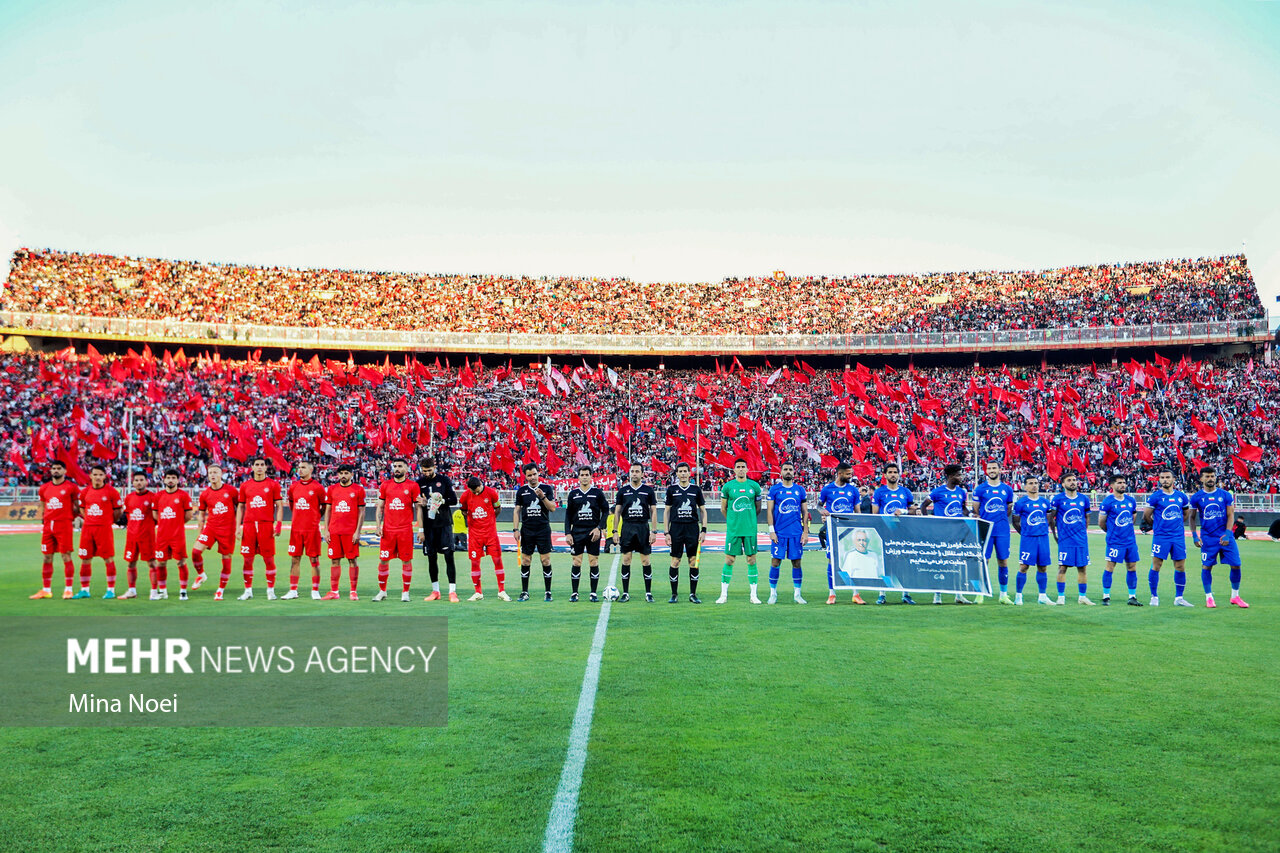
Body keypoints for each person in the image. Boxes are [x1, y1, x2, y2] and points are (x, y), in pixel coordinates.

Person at [1189, 466, 1249, 608]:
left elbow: (1230, 515)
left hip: (1225, 536)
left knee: (1236, 564)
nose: (1211, 479)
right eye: (1207, 476)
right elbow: (1191, 518)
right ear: (1202, 479)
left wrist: (1228, 534)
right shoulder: (1196, 497)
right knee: (1207, 566)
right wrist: (1194, 536)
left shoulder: (1225, 495)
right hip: (1207, 538)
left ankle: (1235, 596)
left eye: (1213, 476)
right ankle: (1209, 597)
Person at [921, 463, 974, 604]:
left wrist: (971, 516)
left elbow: (962, 509)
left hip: (957, 534)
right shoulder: (938, 492)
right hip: (941, 534)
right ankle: (937, 595)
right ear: (951, 476)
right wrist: (928, 522)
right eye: (958, 474)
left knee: (958, 564)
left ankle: (959, 595)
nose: (961, 477)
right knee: (941, 564)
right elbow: (923, 506)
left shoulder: (961, 492)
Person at [235, 457, 284, 601]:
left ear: (266, 467)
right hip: (249, 526)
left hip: (266, 525)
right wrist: (238, 526)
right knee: (247, 560)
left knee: (268, 560)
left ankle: (270, 591)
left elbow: (279, 506)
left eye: (262, 465)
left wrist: (279, 524)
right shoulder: (245, 486)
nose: (260, 467)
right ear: (252, 467)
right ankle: (248, 591)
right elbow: (241, 507)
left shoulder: (273, 485)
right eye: (257, 465)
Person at [1142, 467, 1192, 607]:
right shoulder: (1156, 496)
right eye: (1162, 478)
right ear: (1159, 480)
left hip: (1178, 537)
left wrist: (1177, 523)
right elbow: (1146, 515)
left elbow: (1186, 513)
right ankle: (1154, 596)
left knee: (1180, 566)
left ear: (1173, 479)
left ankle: (1179, 598)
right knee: (1156, 565)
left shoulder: (1181, 496)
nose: (1165, 480)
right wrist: (1156, 526)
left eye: (1167, 477)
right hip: (1161, 537)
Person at [374, 457, 421, 602]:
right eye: (395, 466)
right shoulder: (385, 485)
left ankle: (405, 592)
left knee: (406, 561)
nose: (396, 469)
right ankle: (382, 591)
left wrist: (421, 528)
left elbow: (418, 508)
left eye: (400, 466)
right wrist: (378, 526)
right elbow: (380, 507)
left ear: (407, 469)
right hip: (388, 530)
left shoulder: (413, 486)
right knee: (383, 560)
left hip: (405, 530)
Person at [30, 460, 79, 600]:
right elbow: (43, 506)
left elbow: (76, 507)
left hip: (63, 525)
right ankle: (46, 590)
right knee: (46, 557)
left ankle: (68, 589)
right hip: (48, 526)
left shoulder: (71, 487)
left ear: (64, 471)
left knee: (66, 556)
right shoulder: (44, 488)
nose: (56, 471)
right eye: (53, 468)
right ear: (51, 471)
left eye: (59, 468)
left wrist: (69, 518)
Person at [72, 465, 122, 599]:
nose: (98, 477)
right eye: (95, 474)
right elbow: (82, 509)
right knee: (85, 558)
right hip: (88, 528)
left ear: (105, 476)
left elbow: (117, 511)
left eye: (100, 475)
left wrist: (107, 521)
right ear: (91, 476)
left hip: (104, 528)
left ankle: (111, 590)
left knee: (108, 558)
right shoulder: (85, 492)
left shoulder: (111, 492)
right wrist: (90, 519)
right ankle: (84, 590)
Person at [718, 459, 763, 604]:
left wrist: (748, 519)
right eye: (738, 467)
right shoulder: (728, 487)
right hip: (734, 530)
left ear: (748, 469)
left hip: (750, 529)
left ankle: (754, 595)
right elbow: (723, 509)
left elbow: (758, 508)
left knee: (751, 559)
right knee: (729, 560)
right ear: (734, 470)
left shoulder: (754, 486)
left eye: (743, 467)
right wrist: (733, 521)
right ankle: (723, 595)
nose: (741, 469)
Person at [871, 462, 917, 605]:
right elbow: (874, 513)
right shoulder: (879, 492)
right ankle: (882, 593)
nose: (893, 474)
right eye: (890, 472)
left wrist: (902, 511)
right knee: (884, 563)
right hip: (885, 532)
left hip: (903, 532)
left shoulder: (905, 492)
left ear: (899, 474)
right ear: (885, 475)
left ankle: (906, 593)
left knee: (905, 563)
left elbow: (913, 510)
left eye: (895, 472)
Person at [818, 461, 863, 605]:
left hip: (850, 530)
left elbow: (858, 512)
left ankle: (856, 594)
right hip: (833, 530)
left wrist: (860, 526)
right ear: (840, 473)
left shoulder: (853, 491)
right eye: (848, 473)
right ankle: (832, 594)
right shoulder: (827, 489)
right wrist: (822, 511)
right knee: (832, 560)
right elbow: (818, 505)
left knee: (854, 559)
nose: (851, 476)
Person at [613, 462, 658, 602]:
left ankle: (648, 593)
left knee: (645, 560)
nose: (634, 473)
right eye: (632, 471)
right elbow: (617, 512)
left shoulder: (648, 491)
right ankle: (625, 592)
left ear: (642, 474)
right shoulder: (623, 491)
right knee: (626, 559)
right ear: (629, 473)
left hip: (643, 527)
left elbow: (654, 511)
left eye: (637, 471)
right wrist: (615, 531)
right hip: (627, 527)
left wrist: (654, 531)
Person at [972, 460, 1015, 604]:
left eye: (994, 468)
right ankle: (980, 593)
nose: (991, 470)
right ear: (986, 470)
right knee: (984, 561)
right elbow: (976, 509)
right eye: (989, 468)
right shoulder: (980, 489)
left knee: (1003, 561)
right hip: (986, 530)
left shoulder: (1007, 489)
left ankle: (1003, 595)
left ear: (999, 469)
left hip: (1002, 530)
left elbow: (1008, 508)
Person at [416, 456, 459, 602]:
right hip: (429, 527)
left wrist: (441, 501)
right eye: (424, 471)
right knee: (431, 559)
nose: (427, 473)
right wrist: (420, 529)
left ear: (434, 468)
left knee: (448, 557)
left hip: (444, 525)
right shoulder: (419, 483)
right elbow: (418, 507)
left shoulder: (444, 480)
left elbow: (454, 499)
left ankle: (452, 591)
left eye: (429, 470)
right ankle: (435, 591)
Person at [564, 465, 609, 602]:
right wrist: (567, 533)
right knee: (576, 561)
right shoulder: (573, 494)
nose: (584, 477)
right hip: (577, 532)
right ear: (578, 477)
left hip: (593, 532)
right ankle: (574, 593)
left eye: (586, 475)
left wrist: (599, 528)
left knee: (593, 561)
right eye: (582, 475)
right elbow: (568, 515)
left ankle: (593, 593)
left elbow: (606, 511)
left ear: (591, 476)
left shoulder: (597, 493)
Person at [765, 462, 808, 604]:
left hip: (796, 532)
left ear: (794, 472)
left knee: (797, 563)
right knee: (775, 562)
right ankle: (773, 593)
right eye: (785, 469)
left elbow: (805, 512)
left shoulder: (800, 490)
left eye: (790, 469)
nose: (788, 471)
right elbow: (769, 511)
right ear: (781, 472)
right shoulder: (774, 490)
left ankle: (797, 594)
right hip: (779, 533)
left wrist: (805, 532)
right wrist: (772, 531)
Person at [460, 475, 508, 601]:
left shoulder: (491, 493)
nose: (475, 492)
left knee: (497, 560)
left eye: (476, 490)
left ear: (481, 484)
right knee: (475, 562)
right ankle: (478, 592)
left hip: (490, 533)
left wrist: (490, 520)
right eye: (473, 491)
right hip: (475, 535)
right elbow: (463, 511)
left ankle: (501, 591)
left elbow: (498, 508)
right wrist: (472, 520)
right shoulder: (465, 496)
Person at [284, 460, 327, 600]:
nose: (300, 470)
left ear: (310, 470)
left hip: (312, 529)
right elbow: (291, 504)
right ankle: (293, 590)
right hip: (296, 529)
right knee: (295, 559)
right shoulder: (293, 487)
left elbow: (324, 507)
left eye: (303, 467)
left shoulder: (318, 487)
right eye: (299, 467)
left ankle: (315, 590)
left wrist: (314, 517)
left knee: (314, 559)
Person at [664, 461, 706, 603]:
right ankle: (674, 594)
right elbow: (667, 511)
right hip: (676, 528)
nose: (682, 474)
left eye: (685, 471)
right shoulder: (671, 490)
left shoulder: (695, 490)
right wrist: (666, 532)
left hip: (692, 528)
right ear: (677, 474)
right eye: (680, 471)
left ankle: (693, 594)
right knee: (675, 561)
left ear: (689, 473)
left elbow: (703, 511)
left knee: (693, 561)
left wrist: (704, 530)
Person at [1049, 472, 1094, 605]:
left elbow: (1087, 517)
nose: (1073, 482)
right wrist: (1055, 534)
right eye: (1069, 480)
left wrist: (1084, 532)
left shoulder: (1084, 499)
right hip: (1065, 540)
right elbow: (1051, 518)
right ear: (1063, 484)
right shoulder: (1058, 499)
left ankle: (1082, 597)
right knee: (1062, 567)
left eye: (1074, 480)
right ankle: (1061, 597)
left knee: (1082, 568)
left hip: (1080, 540)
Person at [321, 463, 365, 600]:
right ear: (338, 475)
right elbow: (328, 510)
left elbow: (362, 512)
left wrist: (357, 531)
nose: (343, 476)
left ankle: (353, 591)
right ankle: (334, 591)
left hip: (350, 531)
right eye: (341, 473)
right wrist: (326, 530)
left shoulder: (358, 490)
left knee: (352, 560)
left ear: (351, 474)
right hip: (334, 531)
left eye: (346, 473)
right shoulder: (332, 489)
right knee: (334, 560)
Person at [513, 463, 556, 602]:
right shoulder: (522, 491)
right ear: (525, 476)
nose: (532, 477)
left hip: (543, 529)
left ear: (538, 473)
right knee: (525, 560)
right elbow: (517, 510)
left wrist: (543, 497)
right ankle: (524, 592)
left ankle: (548, 592)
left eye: (534, 474)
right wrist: (515, 529)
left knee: (545, 560)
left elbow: (553, 508)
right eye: (529, 475)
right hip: (527, 530)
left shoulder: (546, 488)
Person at [1098, 474, 1143, 605]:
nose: (1122, 485)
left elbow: (1133, 517)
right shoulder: (1108, 502)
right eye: (1119, 483)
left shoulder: (1130, 500)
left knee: (1132, 567)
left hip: (1130, 541)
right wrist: (1112, 532)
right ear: (1112, 485)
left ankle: (1132, 596)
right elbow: (1101, 522)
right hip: (1115, 541)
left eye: (1124, 482)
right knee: (1110, 567)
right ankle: (1106, 596)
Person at [198, 465, 239, 601]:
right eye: (210, 473)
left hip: (227, 529)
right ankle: (201, 574)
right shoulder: (205, 494)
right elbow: (201, 513)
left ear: (221, 474)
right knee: (195, 552)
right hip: (211, 527)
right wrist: (200, 530)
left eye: (215, 472)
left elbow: (240, 507)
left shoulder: (231, 491)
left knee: (226, 559)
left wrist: (238, 526)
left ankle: (220, 590)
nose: (212, 475)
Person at [1011, 475, 1055, 606]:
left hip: (1043, 538)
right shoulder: (1021, 503)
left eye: (1036, 483)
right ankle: (1018, 596)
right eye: (1030, 483)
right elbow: (1015, 522)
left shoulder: (1045, 502)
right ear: (1025, 486)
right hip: (1028, 539)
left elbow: (1048, 519)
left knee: (1043, 567)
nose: (1034, 485)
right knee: (1024, 567)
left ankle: (1042, 596)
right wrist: (1025, 533)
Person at [152, 469, 193, 600]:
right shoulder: (158, 496)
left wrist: (176, 523)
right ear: (164, 479)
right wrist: (165, 523)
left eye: (173, 478)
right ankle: (163, 591)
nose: (170, 480)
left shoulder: (183, 496)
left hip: (178, 536)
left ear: (177, 480)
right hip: (162, 536)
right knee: (161, 563)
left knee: (181, 562)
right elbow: (155, 515)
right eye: (168, 477)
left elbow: (188, 515)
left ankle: (183, 591)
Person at [119, 471, 157, 600]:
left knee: (152, 564)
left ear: (146, 481)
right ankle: (131, 590)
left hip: (147, 536)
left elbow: (157, 517)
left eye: (141, 480)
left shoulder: (153, 497)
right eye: (136, 480)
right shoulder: (129, 497)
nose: (139, 482)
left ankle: (154, 591)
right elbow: (126, 516)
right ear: (133, 482)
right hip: (131, 536)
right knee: (130, 563)